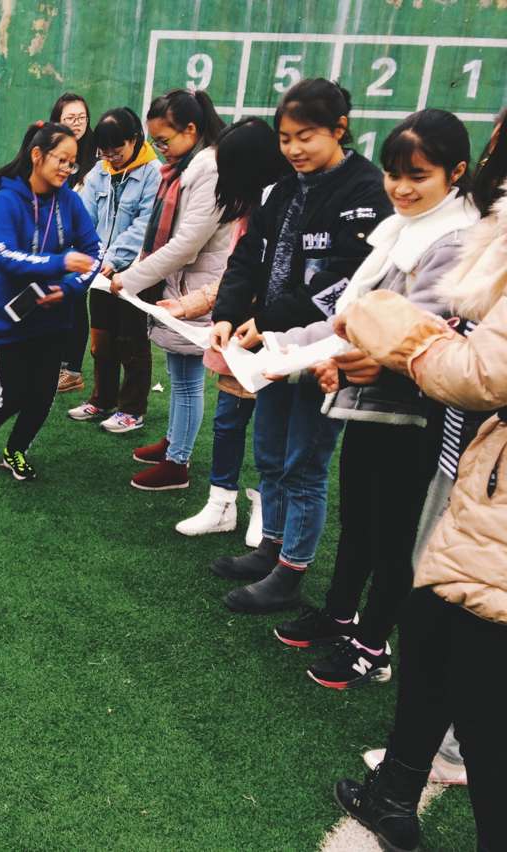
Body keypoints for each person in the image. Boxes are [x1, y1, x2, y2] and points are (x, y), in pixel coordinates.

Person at [328, 158, 507, 851]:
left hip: (493, 499)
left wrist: (397, 330)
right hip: (478, 476)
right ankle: (395, 795)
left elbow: (482, 371)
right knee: (431, 625)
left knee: (485, 699)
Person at [270, 110, 478, 689]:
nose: (401, 188)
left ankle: (372, 644)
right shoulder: (401, 229)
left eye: (418, 175)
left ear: (457, 172)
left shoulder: (457, 238)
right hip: (368, 403)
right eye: (393, 173)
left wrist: (358, 356)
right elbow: (354, 319)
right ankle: (340, 614)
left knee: (394, 534)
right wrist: (279, 344)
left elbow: (421, 331)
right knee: (359, 518)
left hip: (417, 415)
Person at [209, 79, 392, 613]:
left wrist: (266, 320)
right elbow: (247, 258)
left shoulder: (366, 191)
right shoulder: (282, 190)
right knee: (269, 453)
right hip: (272, 350)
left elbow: (344, 282)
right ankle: (271, 548)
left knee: (304, 463)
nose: (293, 149)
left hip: (323, 353)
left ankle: (291, 570)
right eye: (285, 138)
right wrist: (227, 314)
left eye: (305, 136)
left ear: (339, 129)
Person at [160, 118, 290, 540]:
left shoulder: (288, 204)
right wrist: (190, 305)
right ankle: (221, 504)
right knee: (229, 421)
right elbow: (237, 272)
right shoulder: (250, 211)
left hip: (279, 339)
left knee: (273, 433)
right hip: (238, 339)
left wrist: (265, 323)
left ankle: (267, 508)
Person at [0, 120, 100, 482]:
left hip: (53, 320)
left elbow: (95, 252)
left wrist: (70, 288)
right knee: (12, 395)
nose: (67, 169)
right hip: (9, 320)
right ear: (37, 155)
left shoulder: (69, 201)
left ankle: (16, 450)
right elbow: (5, 256)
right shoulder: (6, 201)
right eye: (61, 160)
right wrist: (60, 263)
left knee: (42, 395)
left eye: (72, 163)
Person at [108, 88, 231, 491]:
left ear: (191, 130)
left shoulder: (208, 168)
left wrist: (131, 278)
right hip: (183, 285)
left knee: (189, 380)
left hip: (200, 287)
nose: (159, 150)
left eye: (163, 141)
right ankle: (175, 441)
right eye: (155, 141)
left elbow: (186, 244)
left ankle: (178, 462)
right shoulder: (185, 168)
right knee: (179, 373)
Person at [66, 107, 161, 433]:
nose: (111, 157)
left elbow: (145, 225)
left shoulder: (153, 174)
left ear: (134, 139)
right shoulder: (99, 171)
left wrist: (113, 258)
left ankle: (132, 410)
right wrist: (91, 256)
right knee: (101, 340)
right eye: (104, 152)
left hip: (134, 273)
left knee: (131, 342)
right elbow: (85, 217)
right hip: (101, 273)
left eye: (116, 150)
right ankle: (102, 399)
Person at [51, 92, 98, 393]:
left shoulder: (98, 156)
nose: (77, 123)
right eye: (70, 118)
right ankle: (56, 363)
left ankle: (72, 370)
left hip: (82, 243)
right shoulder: (52, 150)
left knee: (75, 301)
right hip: (54, 241)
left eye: (81, 117)